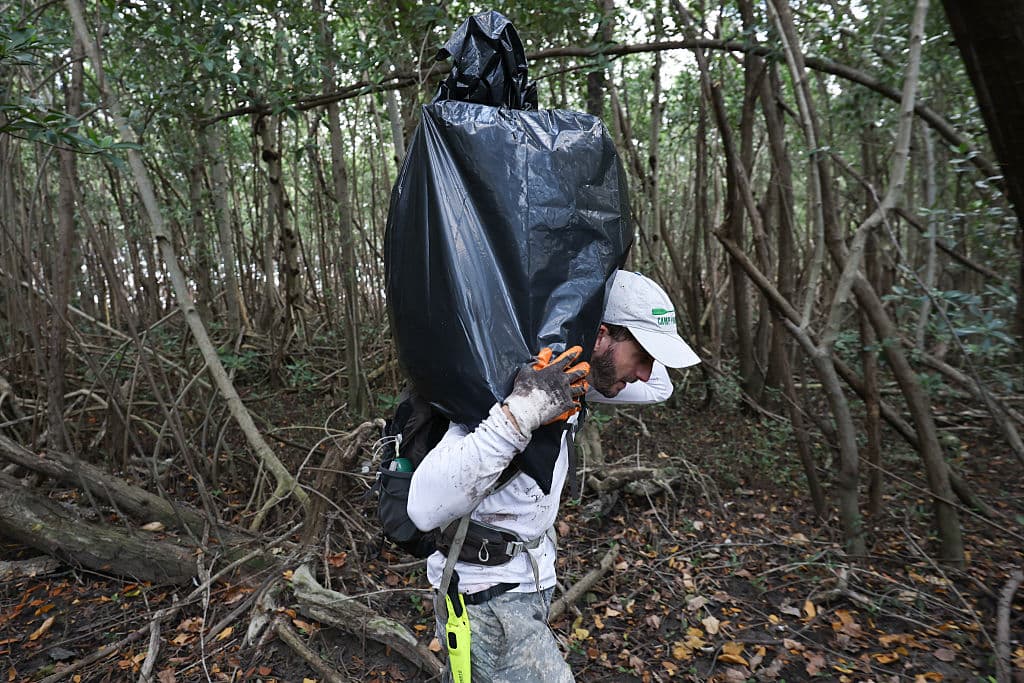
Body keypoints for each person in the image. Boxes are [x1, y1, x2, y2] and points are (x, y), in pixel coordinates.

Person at [407, 270, 700, 682]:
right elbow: (422, 508)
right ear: (601, 334)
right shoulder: (503, 386)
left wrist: (592, 356)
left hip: (521, 586)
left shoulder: (574, 379)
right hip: (486, 598)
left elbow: (660, 389)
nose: (646, 373)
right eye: (643, 356)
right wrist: (524, 410)